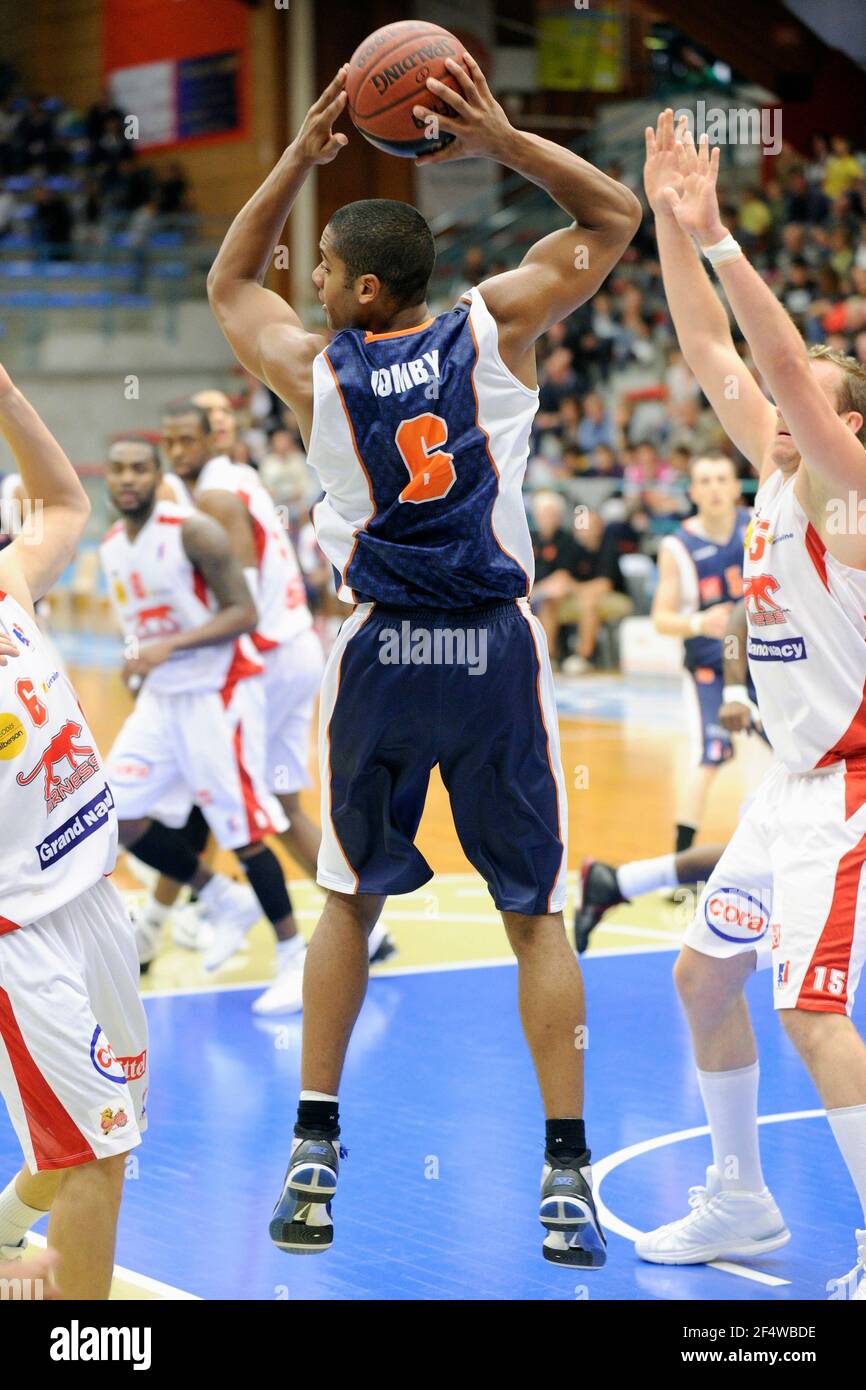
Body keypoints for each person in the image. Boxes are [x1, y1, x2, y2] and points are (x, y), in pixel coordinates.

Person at [207, 58, 640, 1264]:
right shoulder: (491, 324)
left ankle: (313, 1145)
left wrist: (299, 154)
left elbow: (230, 278)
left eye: (330, 263)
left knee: (347, 892)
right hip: (492, 652)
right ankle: (563, 1176)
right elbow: (613, 217)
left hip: (384, 649)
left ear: (352, 286)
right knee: (534, 914)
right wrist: (500, 140)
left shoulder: (313, 368)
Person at [636, 108, 866, 1298]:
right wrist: (672, 225)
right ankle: (740, 1200)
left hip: (850, 790)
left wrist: (725, 235)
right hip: (788, 787)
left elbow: (777, 364)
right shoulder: (777, 469)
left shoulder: (848, 498)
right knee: (700, 975)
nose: (776, 412)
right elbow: (714, 354)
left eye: (807, 406)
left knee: (813, 1015)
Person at [0, 366, 147, 1300]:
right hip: (20, 935)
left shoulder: (8, 583)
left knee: (105, 1136)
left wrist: (8, 396)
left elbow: (63, 500)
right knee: (98, 1151)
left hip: (94, 899)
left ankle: (7, 1225)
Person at [651, 455, 752, 858]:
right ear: (692, 492)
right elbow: (661, 618)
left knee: (790, 749)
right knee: (710, 755)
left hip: (763, 662)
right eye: (704, 481)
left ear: (734, 488)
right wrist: (697, 623)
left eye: (721, 479)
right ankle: (681, 858)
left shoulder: (758, 525)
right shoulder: (677, 546)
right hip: (710, 669)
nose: (713, 488)